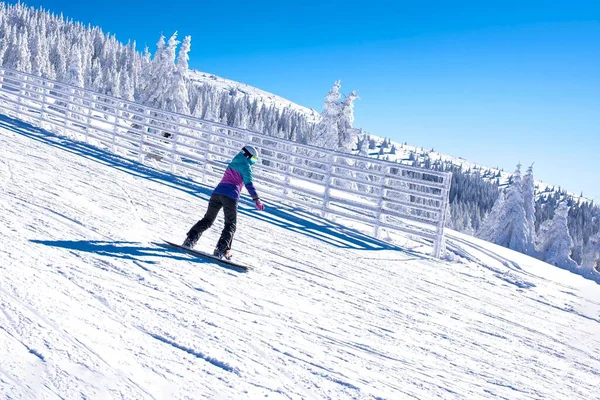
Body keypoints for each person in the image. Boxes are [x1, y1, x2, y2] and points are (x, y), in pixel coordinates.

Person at [182, 145, 265, 259]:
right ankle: (220, 250)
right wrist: (256, 199)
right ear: (248, 156)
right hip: (230, 196)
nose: (253, 162)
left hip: (217, 193)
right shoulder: (246, 166)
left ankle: (190, 240)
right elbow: (249, 184)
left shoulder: (233, 161)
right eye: (254, 159)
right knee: (230, 225)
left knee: (207, 220)